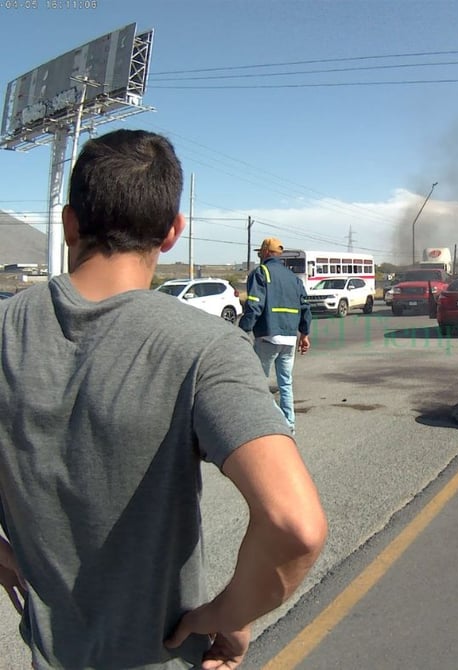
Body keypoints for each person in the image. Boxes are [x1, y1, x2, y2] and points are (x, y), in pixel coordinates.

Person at [0, 129, 327, 669]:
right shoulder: (203, 348)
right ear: (173, 232)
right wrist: (227, 615)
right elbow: (295, 525)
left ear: (68, 225)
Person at [239, 238, 311, 434]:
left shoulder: (261, 273)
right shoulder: (293, 277)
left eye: (259, 252)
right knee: (285, 382)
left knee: (257, 382)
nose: (258, 255)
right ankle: (289, 424)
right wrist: (304, 334)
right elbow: (305, 307)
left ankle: (263, 423)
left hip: (268, 336)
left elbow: (254, 304)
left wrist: (242, 330)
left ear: (265, 252)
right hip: (289, 338)